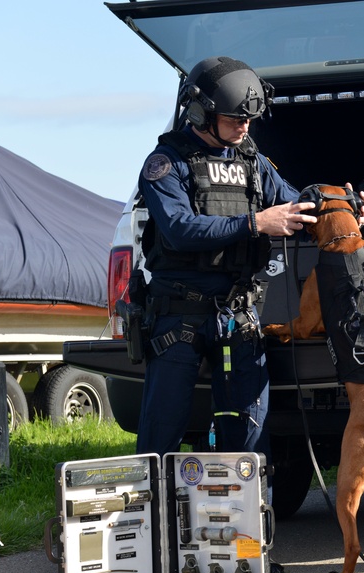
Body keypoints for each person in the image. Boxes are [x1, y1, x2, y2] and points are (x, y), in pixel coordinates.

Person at [134, 56, 348, 459]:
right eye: (234, 118)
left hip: (238, 318)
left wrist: (342, 206)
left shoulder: (250, 159)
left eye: (249, 119)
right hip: (179, 317)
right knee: (161, 437)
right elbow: (180, 230)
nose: (245, 126)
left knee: (250, 438)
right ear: (200, 113)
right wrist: (255, 223)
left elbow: (295, 202)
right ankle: (154, 519)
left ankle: (250, 519)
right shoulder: (166, 164)